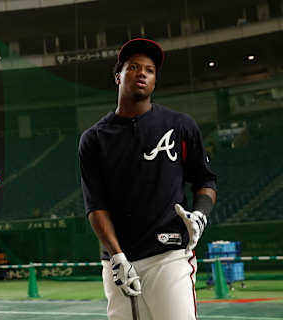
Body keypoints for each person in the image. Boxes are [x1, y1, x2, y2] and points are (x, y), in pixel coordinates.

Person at [78, 38, 217, 320]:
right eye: (134, 67)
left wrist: (200, 216)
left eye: (150, 70)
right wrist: (116, 257)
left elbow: (206, 181)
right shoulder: (94, 139)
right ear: (118, 75)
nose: (142, 73)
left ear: (155, 81)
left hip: (170, 255)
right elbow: (96, 206)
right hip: (119, 263)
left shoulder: (180, 126)